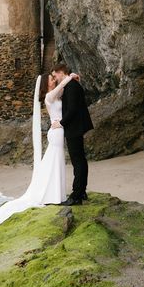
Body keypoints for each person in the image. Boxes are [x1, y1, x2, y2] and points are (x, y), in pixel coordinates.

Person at [0, 69, 80, 226]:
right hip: (57, 131)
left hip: (59, 130)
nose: (54, 80)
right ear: (46, 84)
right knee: (55, 161)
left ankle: (56, 195)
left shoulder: (56, 95)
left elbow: (67, 95)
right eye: (51, 79)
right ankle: (54, 195)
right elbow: (62, 88)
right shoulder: (49, 96)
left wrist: (74, 81)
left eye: (54, 78)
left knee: (55, 162)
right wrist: (69, 77)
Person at [50, 62, 94, 206]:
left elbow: (72, 110)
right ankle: (81, 191)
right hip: (76, 127)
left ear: (61, 72)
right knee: (80, 160)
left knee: (78, 162)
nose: (55, 78)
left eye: (55, 75)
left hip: (74, 128)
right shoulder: (71, 85)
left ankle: (77, 196)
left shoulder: (72, 87)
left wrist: (61, 123)